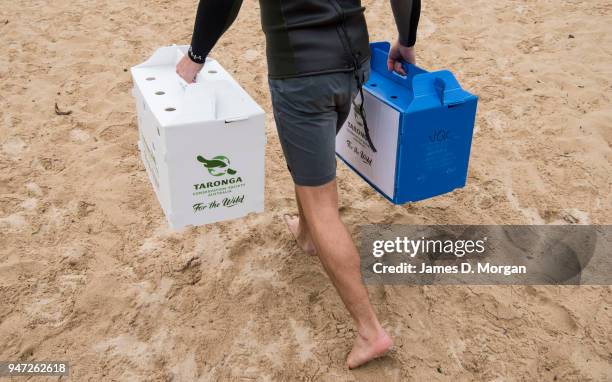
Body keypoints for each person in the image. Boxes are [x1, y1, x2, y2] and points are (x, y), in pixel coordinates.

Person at [176, 0, 420, 370]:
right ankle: (306, 234)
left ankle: (370, 332)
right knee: (310, 166)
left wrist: (196, 54)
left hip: (302, 72)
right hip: (356, 60)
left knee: (322, 203)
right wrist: (406, 37)